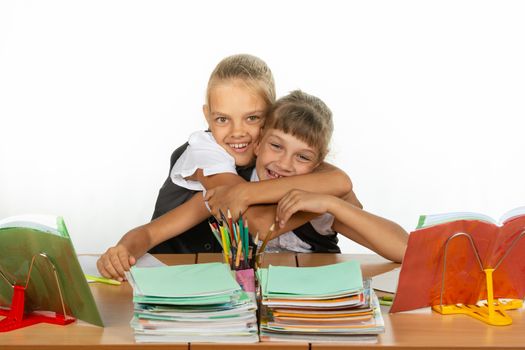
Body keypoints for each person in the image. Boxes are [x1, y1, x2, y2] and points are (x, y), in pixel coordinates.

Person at [97, 56, 354, 280]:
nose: (238, 132)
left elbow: (341, 184)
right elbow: (260, 223)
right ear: (208, 116)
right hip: (171, 268)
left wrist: (327, 199)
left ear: (272, 118)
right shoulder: (206, 151)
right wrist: (322, 198)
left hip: (218, 281)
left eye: (252, 118)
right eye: (222, 119)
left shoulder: (274, 155)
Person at [205, 90, 408, 261]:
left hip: (315, 298)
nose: (284, 164)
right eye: (276, 146)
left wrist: (332, 204)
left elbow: (405, 250)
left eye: (302, 157)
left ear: (318, 162)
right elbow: (259, 226)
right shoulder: (234, 175)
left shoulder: (323, 196)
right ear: (258, 142)